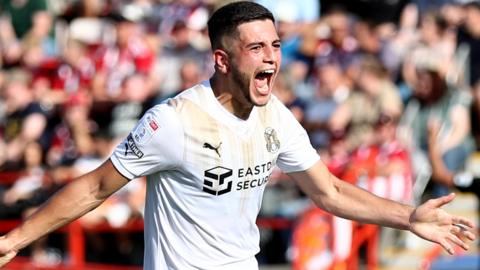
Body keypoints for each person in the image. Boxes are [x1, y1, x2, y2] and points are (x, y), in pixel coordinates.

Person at [0, 2, 476, 269]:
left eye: (274, 45)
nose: (271, 57)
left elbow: (328, 191)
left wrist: (409, 216)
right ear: (223, 60)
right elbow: (94, 187)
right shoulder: (173, 121)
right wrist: (16, 239)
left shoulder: (277, 117)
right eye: (255, 48)